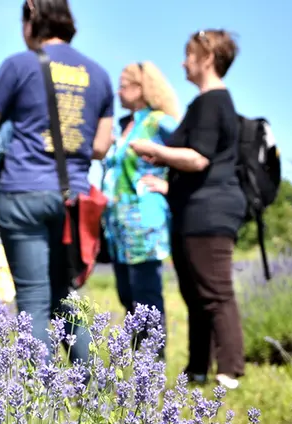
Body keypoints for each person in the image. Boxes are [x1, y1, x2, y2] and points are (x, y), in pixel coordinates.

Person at [0, 0, 114, 364]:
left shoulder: (18, 65)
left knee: (33, 299)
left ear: (32, 17)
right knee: (64, 295)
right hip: (72, 198)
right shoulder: (98, 74)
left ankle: (39, 401)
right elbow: (100, 146)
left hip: (24, 193)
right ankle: (93, 390)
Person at [130, 29, 246, 389]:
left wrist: (155, 149)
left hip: (210, 211)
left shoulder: (213, 102)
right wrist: (167, 183)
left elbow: (198, 158)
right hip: (193, 208)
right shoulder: (203, 103)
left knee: (214, 291)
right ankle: (198, 368)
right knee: (196, 293)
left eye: (189, 54)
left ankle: (230, 370)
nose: (183, 61)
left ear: (207, 58)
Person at [101, 61, 179, 358]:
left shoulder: (160, 122)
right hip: (118, 224)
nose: (118, 92)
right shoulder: (126, 125)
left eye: (123, 85)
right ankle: (137, 360)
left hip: (144, 220)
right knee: (126, 293)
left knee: (146, 293)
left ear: (140, 88)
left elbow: (191, 154)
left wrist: (170, 187)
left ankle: (153, 361)